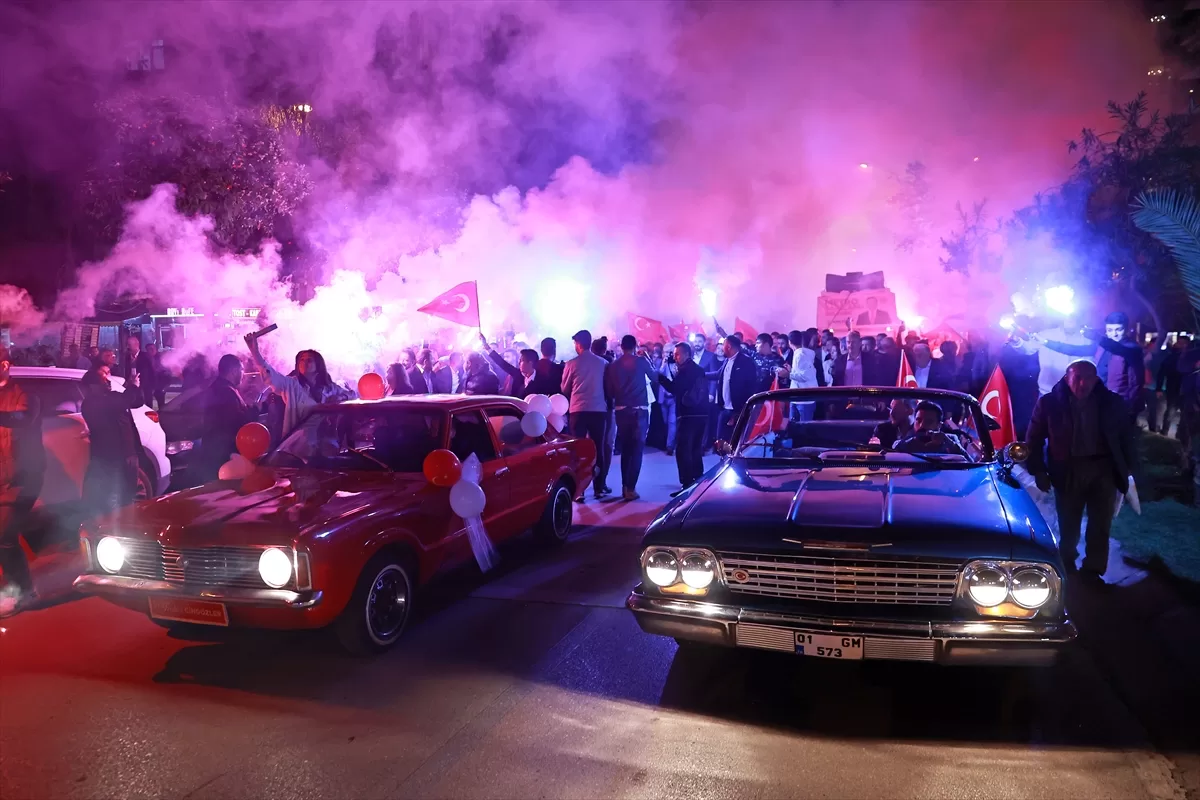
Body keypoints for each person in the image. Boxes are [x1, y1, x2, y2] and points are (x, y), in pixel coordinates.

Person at [1026, 360, 1136, 585]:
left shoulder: (1112, 403)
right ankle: (1066, 562)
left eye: (1087, 377)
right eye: (1077, 377)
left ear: (1096, 379)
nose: (1082, 383)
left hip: (1103, 469)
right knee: (1068, 522)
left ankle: (1093, 569)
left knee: (1101, 522)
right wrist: (1038, 470)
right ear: (1067, 377)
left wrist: (1128, 469)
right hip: (1068, 469)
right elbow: (1034, 438)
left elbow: (1126, 437)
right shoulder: (1050, 403)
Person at [1038, 312, 1144, 420]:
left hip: (1121, 403)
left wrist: (1131, 407)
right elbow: (1073, 349)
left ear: (1125, 330)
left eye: (1118, 330)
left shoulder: (1132, 348)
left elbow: (1117, 349)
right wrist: (1046, 342)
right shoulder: (1101, 347)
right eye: (1110, 330)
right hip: (1100, 400)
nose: (1114, 334)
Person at [0, 348, 43, 616]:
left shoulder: (25, 395)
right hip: (2, 478)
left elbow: (22, 419)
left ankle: (23, 592)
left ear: (4, 365)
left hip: (23, 479)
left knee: (4, 536)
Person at [244, 335, 353, 439]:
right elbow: (270, 374)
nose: (304, 362)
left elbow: (352, 395)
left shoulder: (329, 388)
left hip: (325, 447)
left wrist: (341, 398)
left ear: (318, 365)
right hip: (298, 447)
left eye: (309, 360)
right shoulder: (292, 385)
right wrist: (255, 352)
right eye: (301, 360)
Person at [80, 364, 145, 516]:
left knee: (128, 494)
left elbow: (136, 401)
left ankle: (127, 522)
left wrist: (134, 387)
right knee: (110, 497)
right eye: (103, 380)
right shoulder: (91, 403)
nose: (108, 382)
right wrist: (132, 387)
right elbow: (123, 400)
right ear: (92, 386)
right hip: (109, 458)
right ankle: (110, 527)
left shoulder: (112, 397)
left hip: (128, 453)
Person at [604, 335, 658, 501]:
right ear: (635, 346)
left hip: (621, 410)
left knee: (626, 449)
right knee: (637, 450)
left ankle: (624, 486)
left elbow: (609, 391)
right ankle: (631, 488)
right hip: (639, 410)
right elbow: (655, 378)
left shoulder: (612, 366)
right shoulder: (641, 361)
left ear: (621, 346)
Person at [560, 330, 612, 499]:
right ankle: (599, 486)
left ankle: (579, 490)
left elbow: (564, 389)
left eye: (575, 343)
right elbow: (607, 387)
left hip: (578, 411)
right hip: (598, 410)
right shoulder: (603, 363)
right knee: (599, 448)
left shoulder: (571, 364)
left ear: (579, 344)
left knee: (578, 450)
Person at [195, 354, 256, 482]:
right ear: (234, 371)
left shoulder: (216, 387)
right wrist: (253, 411)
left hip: (214, 450)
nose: (243, 374)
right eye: (242, 370)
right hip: (224, 454)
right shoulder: (227, 392)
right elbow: (236, 422)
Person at [658, 342, 708, 493]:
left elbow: (674, 388)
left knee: (683, 449)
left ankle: (686, 483)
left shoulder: (686, 370)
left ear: (686, 354)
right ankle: (698, 479)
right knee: (695, 448)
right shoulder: (698, 369)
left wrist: (660, 378)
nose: (675, 357)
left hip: (687, 414)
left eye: (677, 354)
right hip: (701, 414)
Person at [707, 333, 757, 441]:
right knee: (720, 441)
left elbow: (751, 387)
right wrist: (700, 374)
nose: (721, 349)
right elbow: (717, 374)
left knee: (735, 442)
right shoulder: (727, 360)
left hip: (738, 411)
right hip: (724, 408)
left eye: (723, 345)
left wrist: (742, 410)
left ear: (728, 346)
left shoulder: (746, 362)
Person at [892, 400, 969, 457]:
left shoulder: (950, 439)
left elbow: (970, 463)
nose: (922, 425)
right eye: (918, 420)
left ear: (939, 425)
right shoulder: (904, 442)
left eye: (929, 421)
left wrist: (948, 443)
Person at [124, 333, 156, 410]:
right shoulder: (126, 357)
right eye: (127, 344)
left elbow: (153, 371)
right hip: (131, 385)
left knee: (146, 406)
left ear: (136, 344)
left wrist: (152, 386)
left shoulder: (146, 356)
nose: (128, 347)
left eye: (129, 344)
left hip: (145, 386)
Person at [657, 344, 678, 455]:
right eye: (665, 352)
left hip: (673, 398)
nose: (667, 354)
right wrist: (663, 364)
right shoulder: (661, 363)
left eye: (670, 352)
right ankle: (668, 441)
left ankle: (670, 446)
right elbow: (657, 376)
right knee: (665, 421)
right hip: (662, 397)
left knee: (672, 422)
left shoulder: (677, 364)